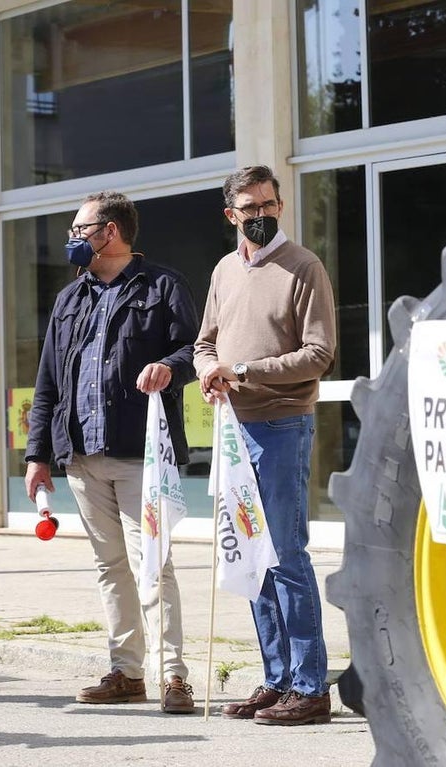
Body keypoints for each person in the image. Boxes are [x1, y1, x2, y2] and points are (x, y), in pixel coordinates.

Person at [24, 191, 199, 715]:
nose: (73, 239)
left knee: (153, 564)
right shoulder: (69, 299)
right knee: (110, 567)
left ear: (111, 232)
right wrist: (38, 455)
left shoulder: (162, 286)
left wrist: (170, 366)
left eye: (80, 229)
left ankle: (174, 677)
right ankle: (126, 672)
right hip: (80, 456)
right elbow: (48, 382)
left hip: (139, 452)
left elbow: (197, 348)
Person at [195, 165, 337, 726]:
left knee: (285, 557)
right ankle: (276, 680)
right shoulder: (225, 270)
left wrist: (245, 370)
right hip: (233, 429)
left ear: (280, 206)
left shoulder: (303, 267)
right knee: (252, 558)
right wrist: (210, 371)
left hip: (280, 425)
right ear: (231, 215)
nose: (261, 215)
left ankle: (309, 686)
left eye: (269, 205)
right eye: (249, 208)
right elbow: (205, 342)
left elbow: (319, 353)